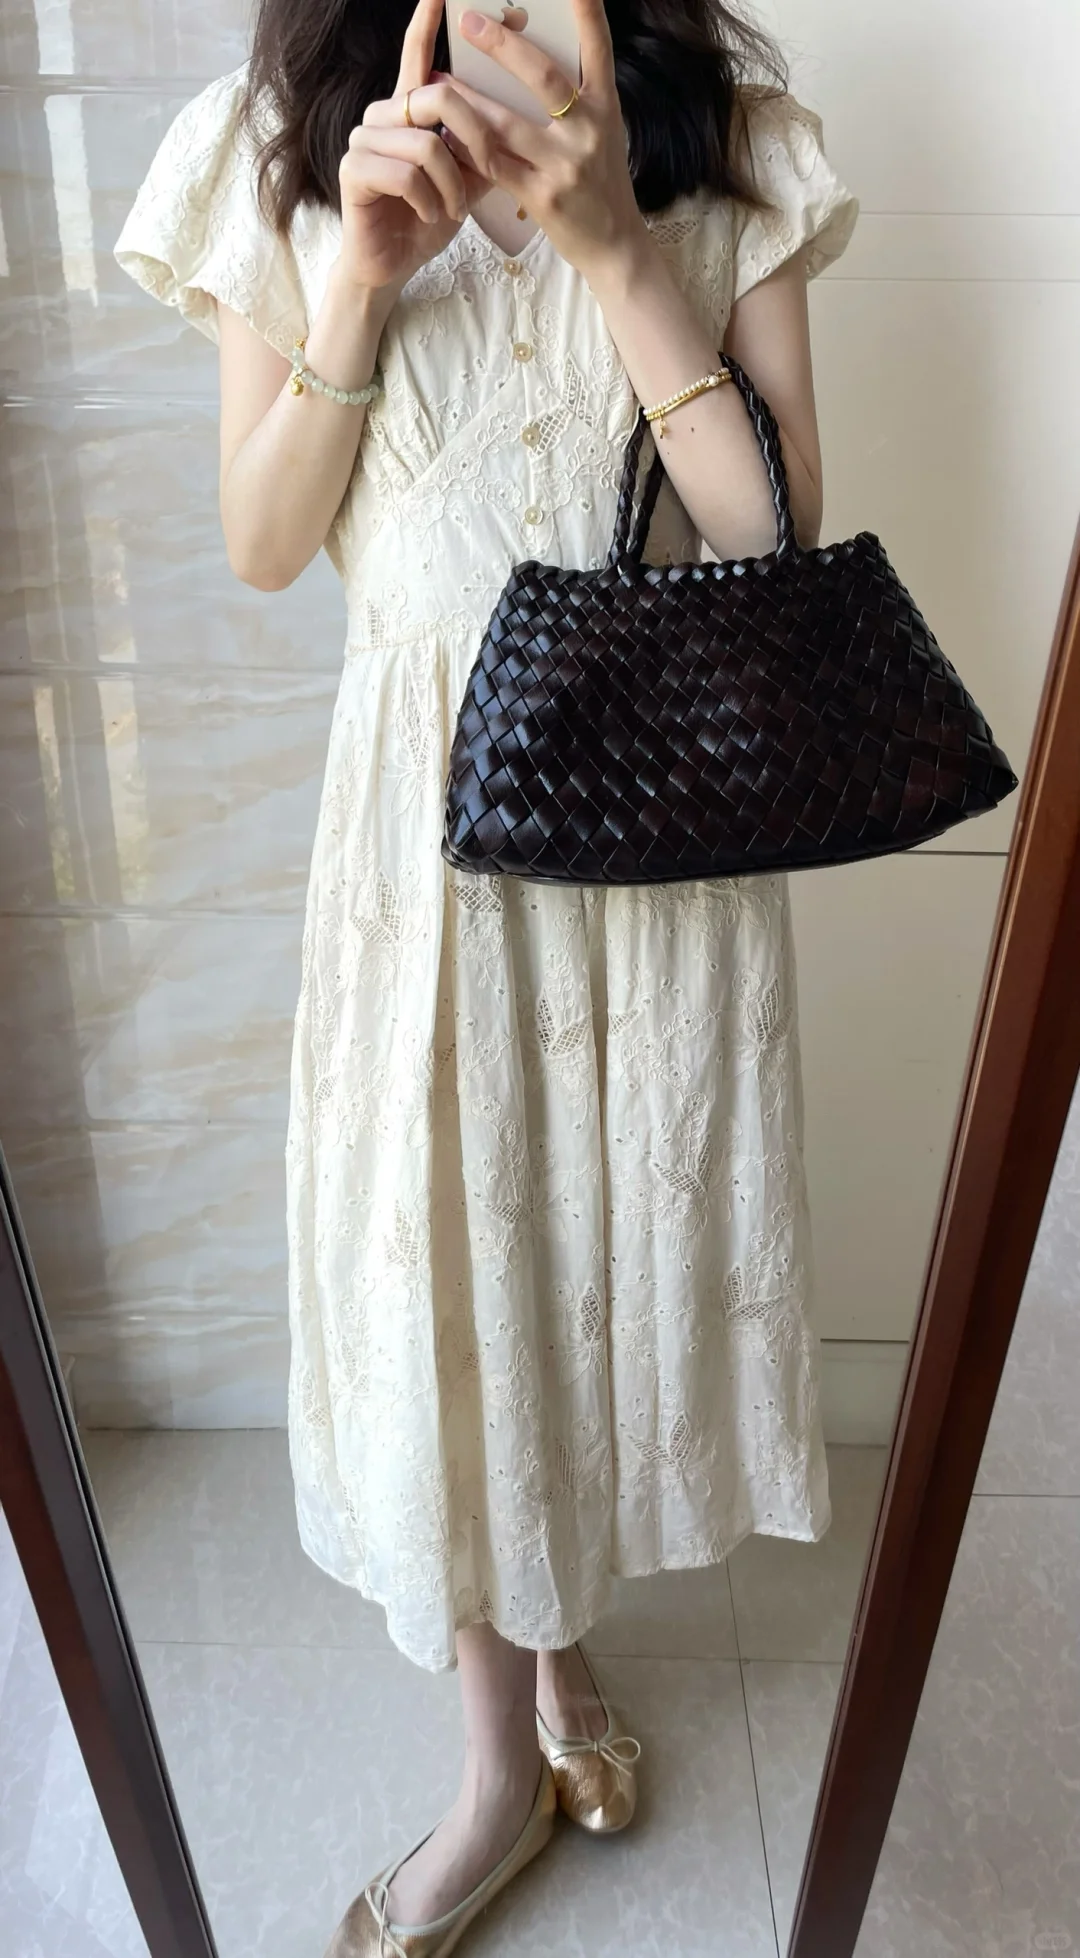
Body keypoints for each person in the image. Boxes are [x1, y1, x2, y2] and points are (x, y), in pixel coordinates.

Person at [115, 0, 857, 1947]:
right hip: (421, 854)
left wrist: (616, 248)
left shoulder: (733, 131)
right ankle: (494, 1765)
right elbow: (266, 540)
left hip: (648, 840)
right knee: (449, 1276)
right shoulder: (274, 141)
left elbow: (777, 536)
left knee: (589, 1273)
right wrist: (359, 280)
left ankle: (560, 1652)